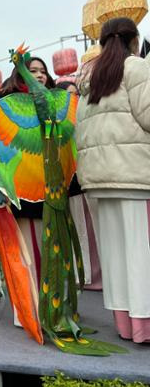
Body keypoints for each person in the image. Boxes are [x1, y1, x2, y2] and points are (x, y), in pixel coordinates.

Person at [75, 17, 150, 343]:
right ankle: (144, 326)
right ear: (134, 40)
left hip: (100, 179)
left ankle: (125, 325)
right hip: (135, 175)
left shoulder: (90, 79)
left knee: (117, 256)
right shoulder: (137, 68)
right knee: (141, 252)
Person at [0, 58, 56, 316]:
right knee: (24, 251)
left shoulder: (51, 103)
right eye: (33, 71)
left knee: (46, 249)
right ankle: (26, 310)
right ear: (20, 75)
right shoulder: (5, 103)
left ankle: (48, 305)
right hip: (17, 185)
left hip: (47, 184)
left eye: (43, 72)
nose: (40, 76)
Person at [57, 80, 102, 291]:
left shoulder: (86, 116)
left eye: (76, 94)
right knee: (80, 231)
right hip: (71, 185)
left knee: (95, 229)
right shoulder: (59, 124)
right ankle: (84, 277)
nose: (73, 99)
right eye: (68, 95)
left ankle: (100, 274)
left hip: (90, 181)